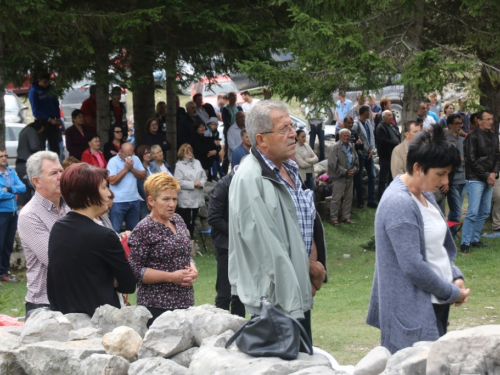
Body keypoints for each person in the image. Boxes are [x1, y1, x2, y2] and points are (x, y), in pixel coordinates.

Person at [228, 100, 326, 343]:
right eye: (284, 129)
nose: (293, 133)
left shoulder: (288, 168)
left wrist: (310, 268)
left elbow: (303, 222)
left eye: (292, 126)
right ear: (261, 140)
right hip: (275, 302)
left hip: (295, 291)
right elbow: (268, 249)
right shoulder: (251, 179)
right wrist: (309, 269)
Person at [367, 124, 470, 354]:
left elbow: (439, 247)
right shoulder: (399, 203)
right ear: (418, 168)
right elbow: (412, 265)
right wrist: (452, 292)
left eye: (448, 173)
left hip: (436, 300)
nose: (445, 181)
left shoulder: (425, 194)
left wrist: (455, 275)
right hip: (411, 310)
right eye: (440, 174)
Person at [47, 163, 136, 315]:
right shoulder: (104, 236)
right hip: (99, 321)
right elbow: (129, 284)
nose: (109, 194)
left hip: (66, 317)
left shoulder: (58, 228)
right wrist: (109, 279)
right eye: (103, 188)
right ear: (88, 196)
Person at [128, 173, 198, 327]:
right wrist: (171, 277)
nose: (171, 204)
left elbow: (185, 253)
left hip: (185, 301)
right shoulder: (143, 229)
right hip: (157, 306)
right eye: (166, 199)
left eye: (174, 199)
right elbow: (135, 271)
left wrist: (192, 269)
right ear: (151, 201)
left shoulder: (178, 220)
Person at [17, 151, 68, 314]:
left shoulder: (70, 206)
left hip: (72, 299)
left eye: (61, 171)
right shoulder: (30, 215)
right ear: (37, 181)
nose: (61, 177)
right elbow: (56, 260)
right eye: (54, 173)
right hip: (44, 305)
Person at [460, 109, 500, 253]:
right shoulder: (472, 137)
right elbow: (471, 160)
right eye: (488, 119)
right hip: (475, 178)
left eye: (492, 119)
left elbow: (497, 157)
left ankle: (474, 239)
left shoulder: (494, 137)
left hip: (489, 177)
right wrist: (486, 175)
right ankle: (465, 243)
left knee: (484, 211)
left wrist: (494, 173)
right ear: (479, 120)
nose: (491, 122)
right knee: (473, 212)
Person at [208, 169, 245, 317]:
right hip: (226, 245)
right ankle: (221, 331)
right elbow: (213, 217)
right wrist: (237, 234)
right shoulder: (224, 185)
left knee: (241, 293)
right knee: (224, 293)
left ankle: (240, 332)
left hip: (245, 246)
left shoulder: (251, 183)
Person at [107, 143, 146, 232]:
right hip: (118, 201)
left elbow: (143, 175)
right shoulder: (113, 161)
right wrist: (125, 169)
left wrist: (132, 169)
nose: (129, 157)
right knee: (115, 231)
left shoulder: (135, 159)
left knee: (133, 232)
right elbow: (112, 181)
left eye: (131, 154)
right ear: (120, 151)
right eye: (126, 154)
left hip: (134, 200)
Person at [0, 147, 25, 282]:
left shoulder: (11, 172)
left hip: (13, 213)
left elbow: (23, 187)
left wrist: (9, 189)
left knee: (8, 244)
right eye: (1, 156)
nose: (4, 158)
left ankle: (4, 273)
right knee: (0, 243)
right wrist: (12, 193)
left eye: (5, 155)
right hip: (1, 213)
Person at [174, 143, 207, 246]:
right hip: (186, 198)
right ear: (182, 154)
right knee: (186, 220)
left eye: (190, 151)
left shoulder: (197, 162)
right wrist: (192, 184)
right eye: (186, 152)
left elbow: (204, 176)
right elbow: (178, 181)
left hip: (197, 195)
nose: (189, 153)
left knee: (194, 219)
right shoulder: (179, 165)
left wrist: (201, 183)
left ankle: (191, 242)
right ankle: (185, 242)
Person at [328, 128, 359, 226]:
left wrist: (353, 171)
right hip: (339, 177)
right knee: (336, 198)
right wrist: (345, 172)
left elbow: (356, 162)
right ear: (340, 137)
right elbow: (333, 164)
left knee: (348, 198)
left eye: (348, 136)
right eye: (344, 136)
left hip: (349, 177)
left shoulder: (352, 147)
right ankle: (334, 218)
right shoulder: (335, 147)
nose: (346, 137)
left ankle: (346, 216)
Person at [28, 72, 62, 154]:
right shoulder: (34, 91)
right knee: (41, 147)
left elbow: (56, 105)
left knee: (55, 147)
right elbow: (36, 111)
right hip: (42, 123)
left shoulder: (50, 89)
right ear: (39, 80)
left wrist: (58, 118)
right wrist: (49, 119)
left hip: (53, 122)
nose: (47, 84)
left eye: (48, 82)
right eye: (45, 82)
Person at [445, 114, 466, 236]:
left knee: (455, 211)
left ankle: (450, 234)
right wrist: (459, 159)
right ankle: (449, 235)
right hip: (452, 180)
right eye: (457, 123)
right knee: (457, 211)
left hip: (463, 178)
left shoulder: (463, 140)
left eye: (460, 123)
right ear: (450, 125)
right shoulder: (446, 140)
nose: (459, 126)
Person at [352, 105, 377, 208]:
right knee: (359, 177)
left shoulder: (368, 123)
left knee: (372, 175)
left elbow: (371, 138)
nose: (370, 113)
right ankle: (360, 199)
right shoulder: (356, 124)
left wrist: (372, 150)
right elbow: (353, 138)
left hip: (369, 153)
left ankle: (371, 199)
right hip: (360, 154)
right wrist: (360, 151)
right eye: (369, 111)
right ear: (365, 112)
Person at [16, 120, 45, 207]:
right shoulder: (31, 131)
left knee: (25, 190)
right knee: (26, 191)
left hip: (21, 164)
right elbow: (34, 147)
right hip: (26, 164)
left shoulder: (26, 130)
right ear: (42, 127)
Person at [376, 110, 401, 199]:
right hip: (385, 156)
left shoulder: (394, 126)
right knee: (383, 177)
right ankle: (381, 196)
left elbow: (399, 136)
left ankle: (390, 195)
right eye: (389, 115)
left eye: (391, 115)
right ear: (383, 118)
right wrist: (395, 144)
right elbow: (383, 141)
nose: (391, 117)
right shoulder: (380, 127)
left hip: (394, 155)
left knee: (392, 176)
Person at [135, 145, 159, 219]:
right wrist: (148, 199)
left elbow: (160, 178)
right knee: (145, 220)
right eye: (145, 153)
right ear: (140, 155)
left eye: (149, 152)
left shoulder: (153, 165)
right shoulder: (139, 168)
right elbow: (140, 186)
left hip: (156, 198)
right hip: (144, 200)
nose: (148, 155)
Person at [221, 92, 243, 173]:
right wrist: (232, 128)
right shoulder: (226, 108)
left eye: (235, 96)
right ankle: (224, 172)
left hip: (240, 130)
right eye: (232, 96)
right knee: (228, 151)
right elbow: (226, 121)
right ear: (228, 98)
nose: (234, 98)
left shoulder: (239, 107)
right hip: (229, 130)